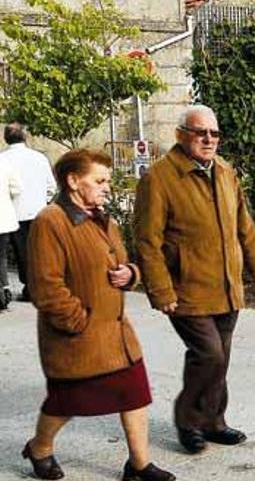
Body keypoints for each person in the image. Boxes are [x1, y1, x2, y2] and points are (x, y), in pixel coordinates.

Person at [24, 149, 174, 481]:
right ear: (73, 181)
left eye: (108, 180)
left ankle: (138, 465)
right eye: (100, 180)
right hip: (77, 337)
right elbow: (45, 286)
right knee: (67, 403)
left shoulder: (103, 218)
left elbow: (121, 261)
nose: (107, 187)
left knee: (135, 394)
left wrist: (130, 273)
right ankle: (40, 447)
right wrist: (79, 321)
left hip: (118, 335)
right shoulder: (51, 220)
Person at [134, 105, 255, 454]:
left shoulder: (225, 171)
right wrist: (160, 289)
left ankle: (213, 421)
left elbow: (244, 224)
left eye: (214, 133)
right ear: (181, 135)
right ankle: (188, 421)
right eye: (200, 132)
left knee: (220, 356)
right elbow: (147, 241)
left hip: (226, 285)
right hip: (186, 288)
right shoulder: (160, 177)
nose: (208, 139)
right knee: (208, 354)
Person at [0, 123, 57, 302]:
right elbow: (51, 186)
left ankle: (12, 287)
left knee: (17, 252)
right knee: (37, 251)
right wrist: (44, 200)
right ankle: (35, 286)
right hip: (37, 211)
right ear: (25, 137)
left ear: (5, 138)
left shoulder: (3, 158)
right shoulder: (39, 158)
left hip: (11, 212)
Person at [0, 165, 21, 310]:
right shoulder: (3, 163)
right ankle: (4, 291)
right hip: (3, 219)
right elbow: (17, 189)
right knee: (1, 256)